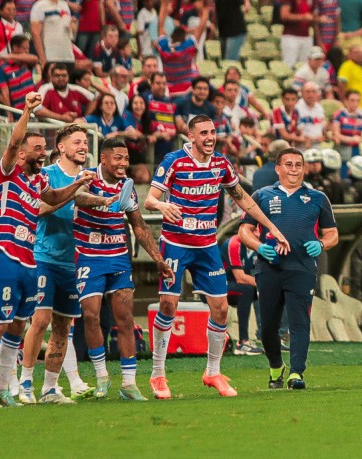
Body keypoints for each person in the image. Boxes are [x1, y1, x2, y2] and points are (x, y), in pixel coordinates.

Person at [145, 114, 290, 399]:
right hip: (175, 243)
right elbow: (150, 198)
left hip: (206, 244)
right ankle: (158, 374)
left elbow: (243, 199)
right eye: (204, 133)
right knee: (168, 305)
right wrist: (162, 207)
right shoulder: (174, 161)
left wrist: (271, 226)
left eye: (213, 132)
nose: (210, 137)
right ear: (191, 136)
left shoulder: (221, 164)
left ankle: (213, 372)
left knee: (221, 308)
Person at [0, 93, 92, 409]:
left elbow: (52, 197)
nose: (43, 152)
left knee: (18, 324)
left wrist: (77, 186)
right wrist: (26, 110)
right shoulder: (8, 171)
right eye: (37, 148)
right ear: (20, 154)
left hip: (28, 258)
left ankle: (2, 387)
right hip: (4, 253)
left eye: (43, 148)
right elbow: (13, 142)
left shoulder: (37, 182)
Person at [73, 137, 173, 400]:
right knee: (91, 315)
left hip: (118, 256)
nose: (123, 163)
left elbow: (139, 226)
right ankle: (102, 376)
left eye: (126, 159)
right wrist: (105, 201)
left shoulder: (127, 187)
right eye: (118, 158)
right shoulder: (87, 177)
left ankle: (128, 384)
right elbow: (79, 198)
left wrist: (158, 258)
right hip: (89, 256)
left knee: (125, 318)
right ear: (103, 159)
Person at [238, 147, 338, 390]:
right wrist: (260, 248)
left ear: (304, 168)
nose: (294, 169)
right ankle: (275, 365)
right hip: (268, 269)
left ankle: (296, 373)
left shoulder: (318, 198)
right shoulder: (261, 195)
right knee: (268, 327)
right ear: (278, 168)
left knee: (299, 322)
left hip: (302, 269)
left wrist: (322, 244)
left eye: (298, 164)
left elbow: (333, 233)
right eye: (289, 164)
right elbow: (244, 231)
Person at [15, 124, 96, 405]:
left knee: (64, 327)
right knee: (40, 321)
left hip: (73, 262)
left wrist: (105, 201)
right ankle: (25, 382)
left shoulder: (92, 178)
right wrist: (73, 192)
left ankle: (50, 389)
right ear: (61, 147)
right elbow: (37, 209)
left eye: (85, 142)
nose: (83, 146)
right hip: (43, 258)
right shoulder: (46, 175)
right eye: (77, 142)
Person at [220, 233, 263, 355]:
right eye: (253, 229)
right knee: (247, 290)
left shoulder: (257, 245)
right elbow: (240, 278)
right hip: (219, 284)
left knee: (270, 292)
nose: (257, 233)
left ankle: (272, 337)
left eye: (258, 228)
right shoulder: (234, 244)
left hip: (234, 284)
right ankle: (242, 342)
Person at [156, 1, 207, 98]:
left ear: (171, 36)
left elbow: (160, 26)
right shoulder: (187, 47)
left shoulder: (164, 48)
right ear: (185, 38)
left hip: (169, 92)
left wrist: (164, 4)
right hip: (187, 93)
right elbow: (201, 28)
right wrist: (206, 8)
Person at [331, 89, 362, 176]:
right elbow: (336, 135)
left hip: (355, 151)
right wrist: (352, 139)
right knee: (342, 176)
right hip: (342, 151)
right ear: (346, 101)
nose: (355, 103)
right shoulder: (339, 115)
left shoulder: (361, 118)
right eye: (352, 100)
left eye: (357, 101)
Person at [0, 34, 37, 120]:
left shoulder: (28, 63)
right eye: (24, 48)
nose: (27, 51)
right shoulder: (2, 68)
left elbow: (35, 59)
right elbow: (4, 93)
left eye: (28, 48)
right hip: (18, 114)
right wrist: (9, 113)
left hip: (33, 111)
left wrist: (10, 56)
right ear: (15, 47)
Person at [30, 0, 74, 68]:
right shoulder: (39, 6)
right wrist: (42, 59)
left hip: (68, 56)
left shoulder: (64, 5)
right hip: (50, 56)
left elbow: (69, 30)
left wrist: (72, 26)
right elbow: (35, 33)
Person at [337, 46, 362, 119]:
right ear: (349, 54)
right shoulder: (347, 65)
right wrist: (344, 101)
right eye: (356, 53)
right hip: (356, 107)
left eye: (361, 53)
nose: (359, 55)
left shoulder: (360, 67)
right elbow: (341, 83)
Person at [279, 0, 316, 67]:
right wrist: (302, 17)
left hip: (306, 36)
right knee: (289, 64)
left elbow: (312, 16)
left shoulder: (311, 1)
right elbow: (284, 15)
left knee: (305, 66)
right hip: (291, 36)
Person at [295, 82, 326, 149]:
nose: (311, 94)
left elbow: (322, 126)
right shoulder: (296, 108)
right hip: (302, 146)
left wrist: (323, 136)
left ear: (318, 94)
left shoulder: (319, 108)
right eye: (308, 92)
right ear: (302, 93)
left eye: (314, 92)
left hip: (318, 144)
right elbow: (295, 130)